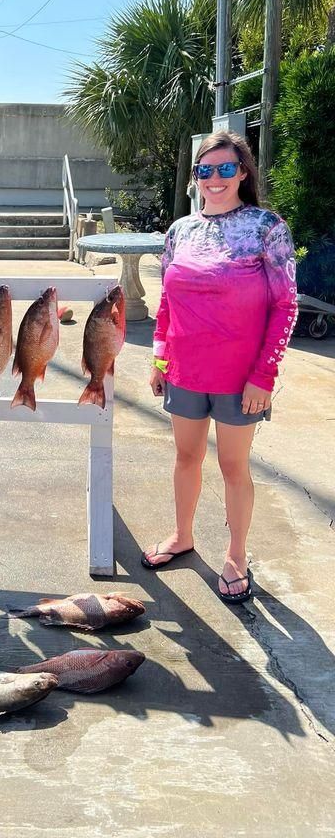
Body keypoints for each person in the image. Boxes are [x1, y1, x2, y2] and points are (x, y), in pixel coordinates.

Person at [141, 130, 298, 603]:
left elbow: (285, 305)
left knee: (233, 465)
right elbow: (167, 301)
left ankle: (236, 555)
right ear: (195, 179)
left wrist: (264, 376)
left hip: (240, 377)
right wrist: (159, 359)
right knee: (185, 458)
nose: (214, 179)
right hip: (185, 370)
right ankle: (182, 535)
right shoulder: (180, 231)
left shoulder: (266, 226)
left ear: (243, 173)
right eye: (204, 170)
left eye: (225, 168)